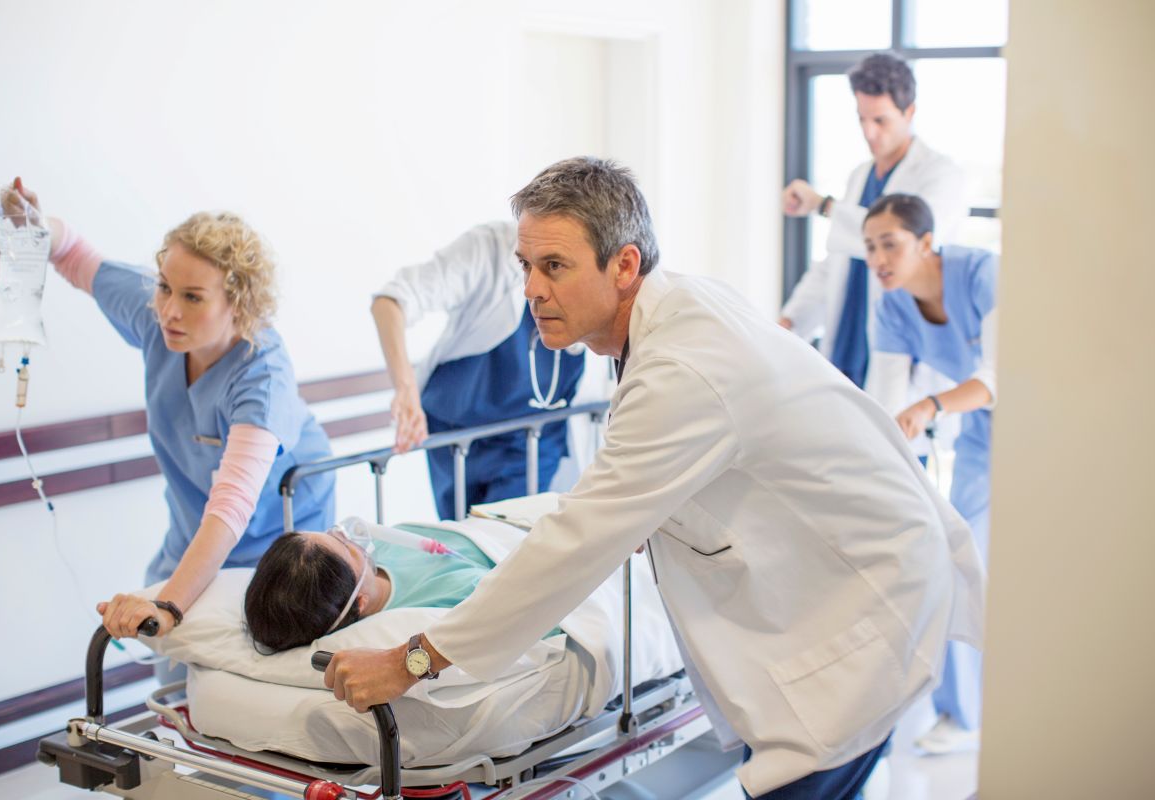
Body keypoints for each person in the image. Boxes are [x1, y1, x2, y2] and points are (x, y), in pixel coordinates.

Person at [317, 157, 986, 800]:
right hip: (850, 582)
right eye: (526, 266)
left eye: (555, 266)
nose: (531, 290)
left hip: (861, 610)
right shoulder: (674, 315)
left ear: (625, 265)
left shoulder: (681, 368)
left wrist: (411, 660)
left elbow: (575, 544)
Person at [2, 179, 336, 648]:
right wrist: (36, 227)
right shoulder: (161, 316)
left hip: (278, 549)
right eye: (164, 287)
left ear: (239, 305)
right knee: (167, 650)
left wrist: (170, 605)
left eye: (193, 297)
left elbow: (233, 503)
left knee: (238, 656)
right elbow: (75, 256)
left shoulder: (263, 379)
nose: (169, 311)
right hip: (193, 532)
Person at [863, 193, 997, 755]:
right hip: (984, 437)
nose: (879, 258)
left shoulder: (981, 274)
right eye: (869, 248)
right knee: (960, 560)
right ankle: (962, 715)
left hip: (1045, 423)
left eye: (889, 244)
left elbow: (999, 373)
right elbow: (886, 399)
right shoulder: (892, 305)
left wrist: (932, 406)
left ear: (925, 242)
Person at [372, 221, 605, 520]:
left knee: (498, 543)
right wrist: (405, 390)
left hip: (532, 437)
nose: (535, 285)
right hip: (453, 431)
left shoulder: (596, 262)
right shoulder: (489, 249)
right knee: (458, 543)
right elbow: (390, 302)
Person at [780, 52, 967, 396]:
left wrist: (824, 205)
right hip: (847, 346)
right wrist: (792, 320)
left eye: (880, 120)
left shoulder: (940, 175)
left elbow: (904, 240)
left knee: (897, 438)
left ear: (909, 112)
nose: (869, 132)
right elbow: (833, 263)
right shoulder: (860, 176)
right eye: (861, 118)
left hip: (899, 353)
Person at [243, 523, 559, 653]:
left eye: (334, 532)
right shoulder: (441, 601)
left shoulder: (386, 543)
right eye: (347, 547)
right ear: (361, 602)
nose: (348, 534)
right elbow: (544, 619)